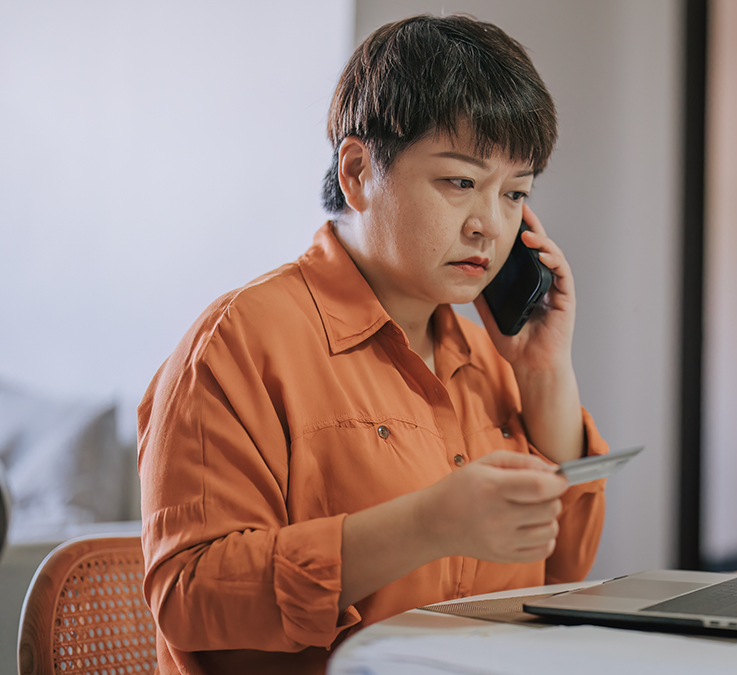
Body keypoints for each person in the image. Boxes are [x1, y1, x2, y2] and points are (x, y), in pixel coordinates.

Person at [137, 15, 608, 675]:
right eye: (460, 182)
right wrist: (424, 526)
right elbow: (190, 595)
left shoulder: (484, 359)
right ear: (357, 172)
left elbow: (563, 572)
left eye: (516, 194)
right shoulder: (239, 344)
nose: (489, 225)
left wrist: (546, 373)